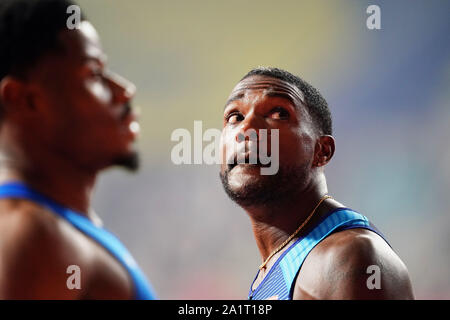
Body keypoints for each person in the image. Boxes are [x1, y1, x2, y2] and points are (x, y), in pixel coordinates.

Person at [0, 0, 155, 299]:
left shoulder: (53, 227)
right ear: (24, 99)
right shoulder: (33, 236)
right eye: (93, 74)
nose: (124, 91)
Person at [219, 67, 414, 300]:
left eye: (278, 113)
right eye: (235, 117)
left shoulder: (349, 257)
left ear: (322, 151)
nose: (246, 129)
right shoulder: (279, 263)